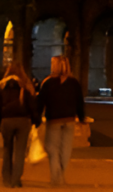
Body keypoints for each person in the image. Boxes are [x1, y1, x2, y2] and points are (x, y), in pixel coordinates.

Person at [37, 56, 85, 187]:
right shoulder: (74, 83)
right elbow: (79, 102)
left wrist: (36, 119)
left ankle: (55, 177)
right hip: (69, 119)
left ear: (55, 66)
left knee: (52, 148)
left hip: (54, 120)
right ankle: (61, 176)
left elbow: (40, 102)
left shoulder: (48, 82)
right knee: (66, 150)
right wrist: (81, 118)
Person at [0, 61, 39, 189]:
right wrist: (36, 121)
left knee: (7, 150)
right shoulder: (25, 85)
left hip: (6, 121)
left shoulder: (1, 86)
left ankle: (6, 178)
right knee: (20, 151)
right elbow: (32, 106)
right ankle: (16, 179)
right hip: (23, 121)